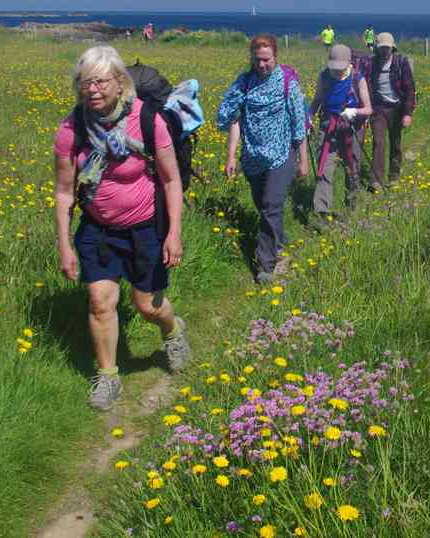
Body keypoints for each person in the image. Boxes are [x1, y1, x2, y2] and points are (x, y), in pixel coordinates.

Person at [53, 45, 191, 411]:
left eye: (100, 82)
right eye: (85, 83)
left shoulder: (147, 120)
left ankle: (172, 330)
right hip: (97, 229)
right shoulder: (72, 128)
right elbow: (65, 192)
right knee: (100, 302)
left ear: (119, 83)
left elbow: (171, 180)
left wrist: (173, 232)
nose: (92, 90)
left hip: (145, 227)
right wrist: (65, 245)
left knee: (146, 305)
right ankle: (108, 376)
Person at [217, 34, 309, 284]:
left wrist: (303, 159)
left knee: (271, 205)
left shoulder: (287, 83)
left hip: (281, 155)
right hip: (253, 157)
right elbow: (234, 119)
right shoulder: (244, 84)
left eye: (266, 60)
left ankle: (265, 265)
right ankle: (279, 242)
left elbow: (298, 122)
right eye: (258, 60)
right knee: (263, 206)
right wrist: (231, 156)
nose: (262, 65)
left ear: (276, 57)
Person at [307, 44, 373, 226]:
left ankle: (352, 208)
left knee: (352, 169)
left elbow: (368, 109)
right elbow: (317, 101)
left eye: (339, 67)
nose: (335, 71)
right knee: (324, 170)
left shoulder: (357, 79)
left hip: (352, 129)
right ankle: (321, 213)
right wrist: (309, 117)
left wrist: (354, 112)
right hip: (328, 128)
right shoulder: (324, 77)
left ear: (348, 63)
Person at [366, 32, 416, 191]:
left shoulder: (401, 63)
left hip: (397, 108)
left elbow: (409, 89)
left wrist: (407, 113)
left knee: (395, 143)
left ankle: (394, 176)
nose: (384, 51)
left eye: (387, 48)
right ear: (377, 49)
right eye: (381, 48)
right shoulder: (372, 63)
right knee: (378, 142)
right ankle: (376, 180)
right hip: (379, 109)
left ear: (392, 48)